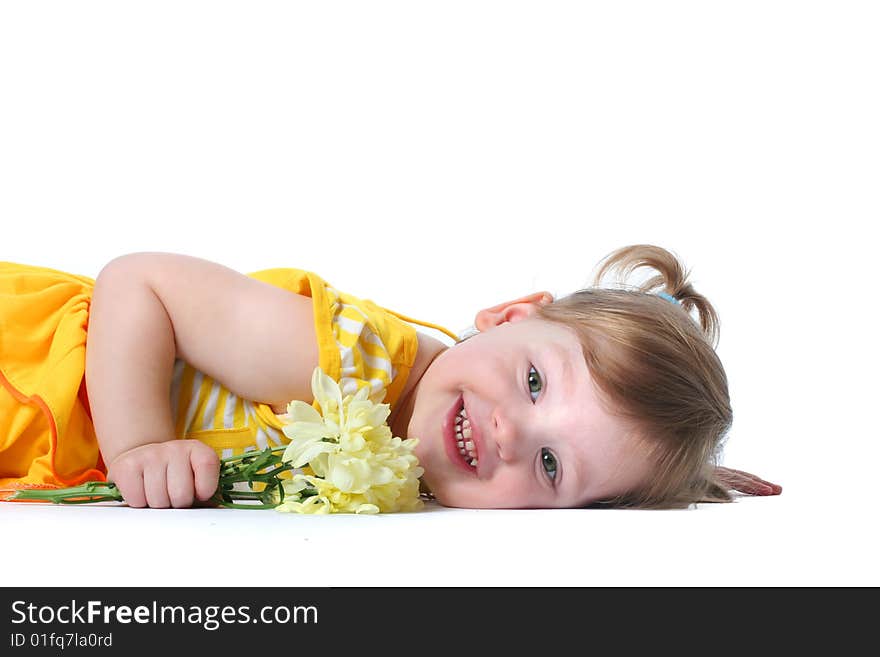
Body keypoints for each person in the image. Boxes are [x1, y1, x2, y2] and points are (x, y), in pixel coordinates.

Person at [0, 245, 780, 510]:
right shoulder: (351, 360)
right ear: (510, 314)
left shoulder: (406, 471)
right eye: (537, 383)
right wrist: (139, 442)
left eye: (551, 465)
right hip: (27, 362)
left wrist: (686, 482)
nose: (513, 431)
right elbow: (139, 283)